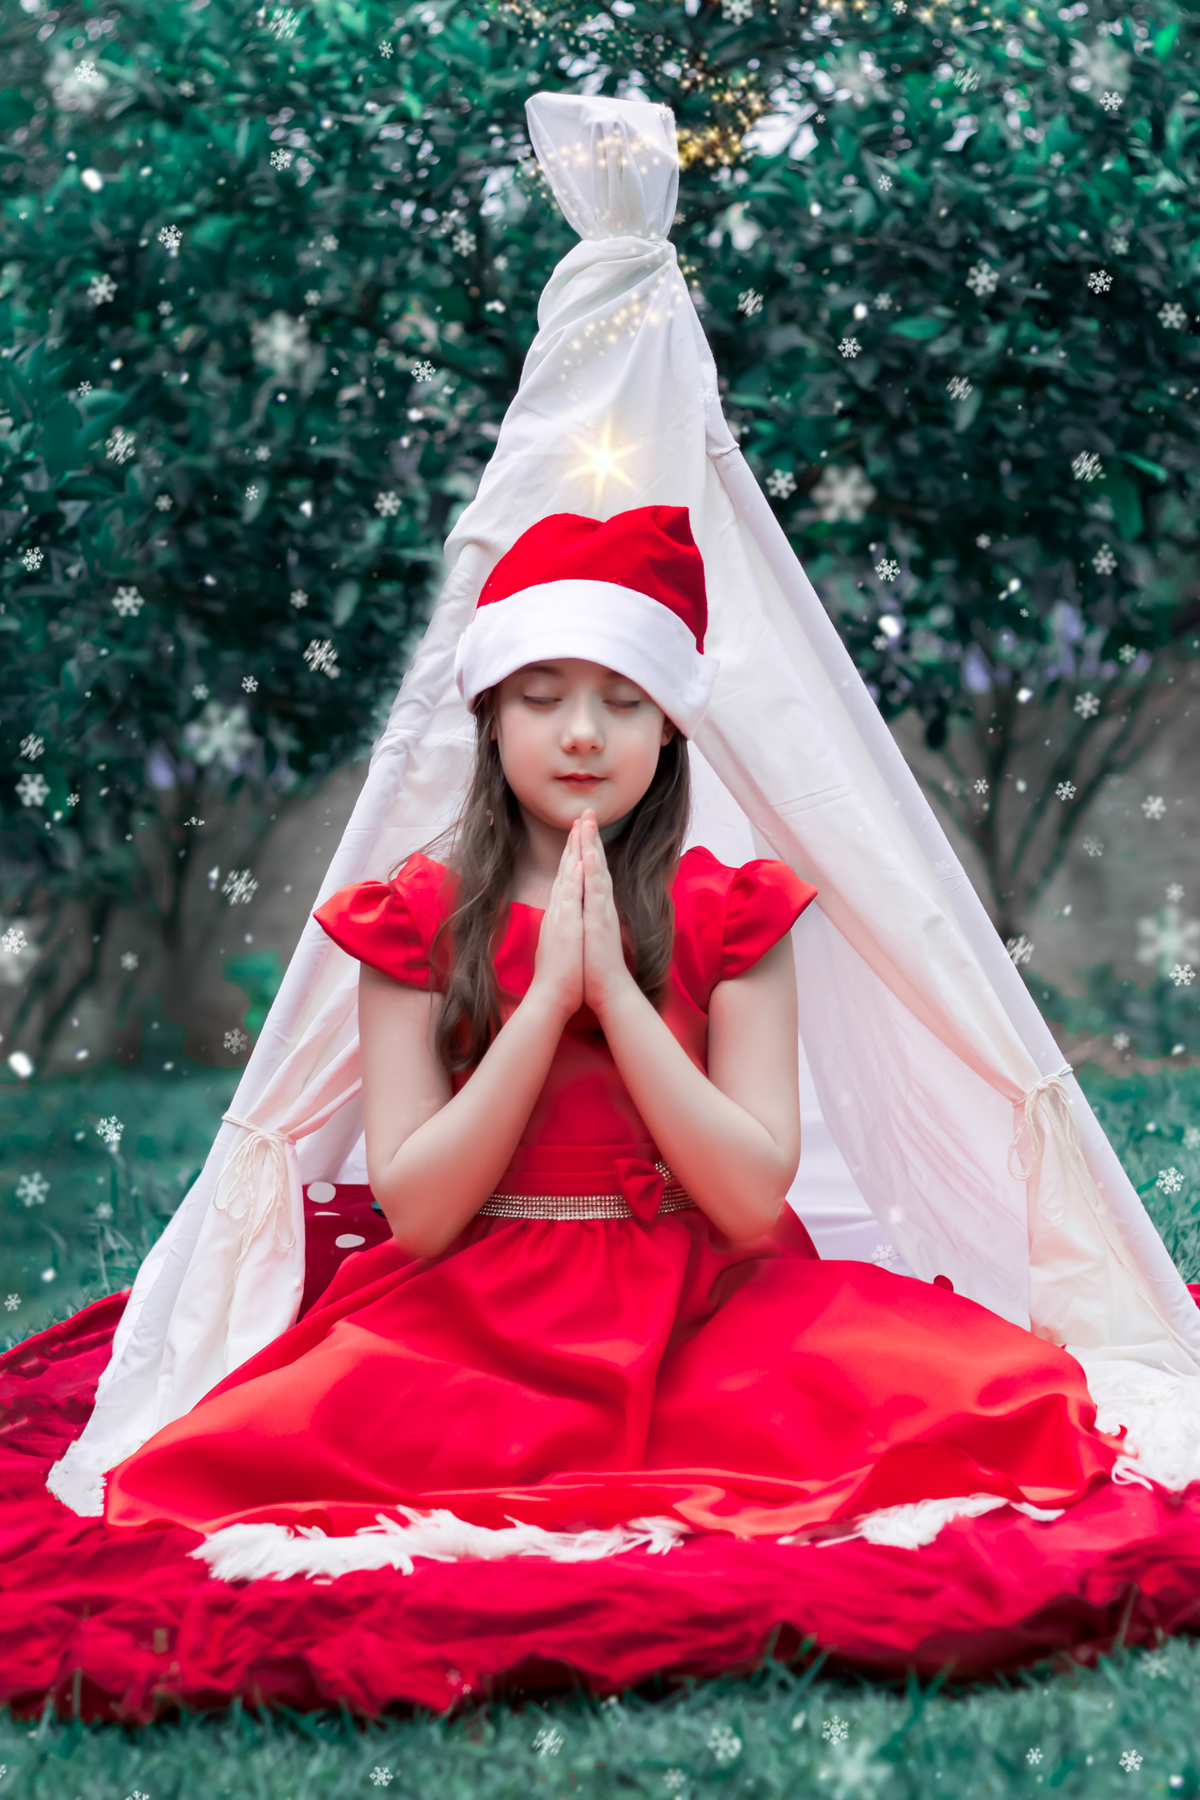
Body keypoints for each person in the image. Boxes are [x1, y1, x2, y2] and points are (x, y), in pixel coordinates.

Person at [101, 506, 1121, 1560]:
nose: (582, 733)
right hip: (476, 1306)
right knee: (257, 1453)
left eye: (623, 701)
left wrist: (620, 1002)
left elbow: (746, 1192)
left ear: (671, 724)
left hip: (704, 1300)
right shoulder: (411, 920)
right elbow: (424, 1213)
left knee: (987, 1399)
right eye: (542, 698)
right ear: (491, 715)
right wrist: (543, 1005)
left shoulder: (734, 912)